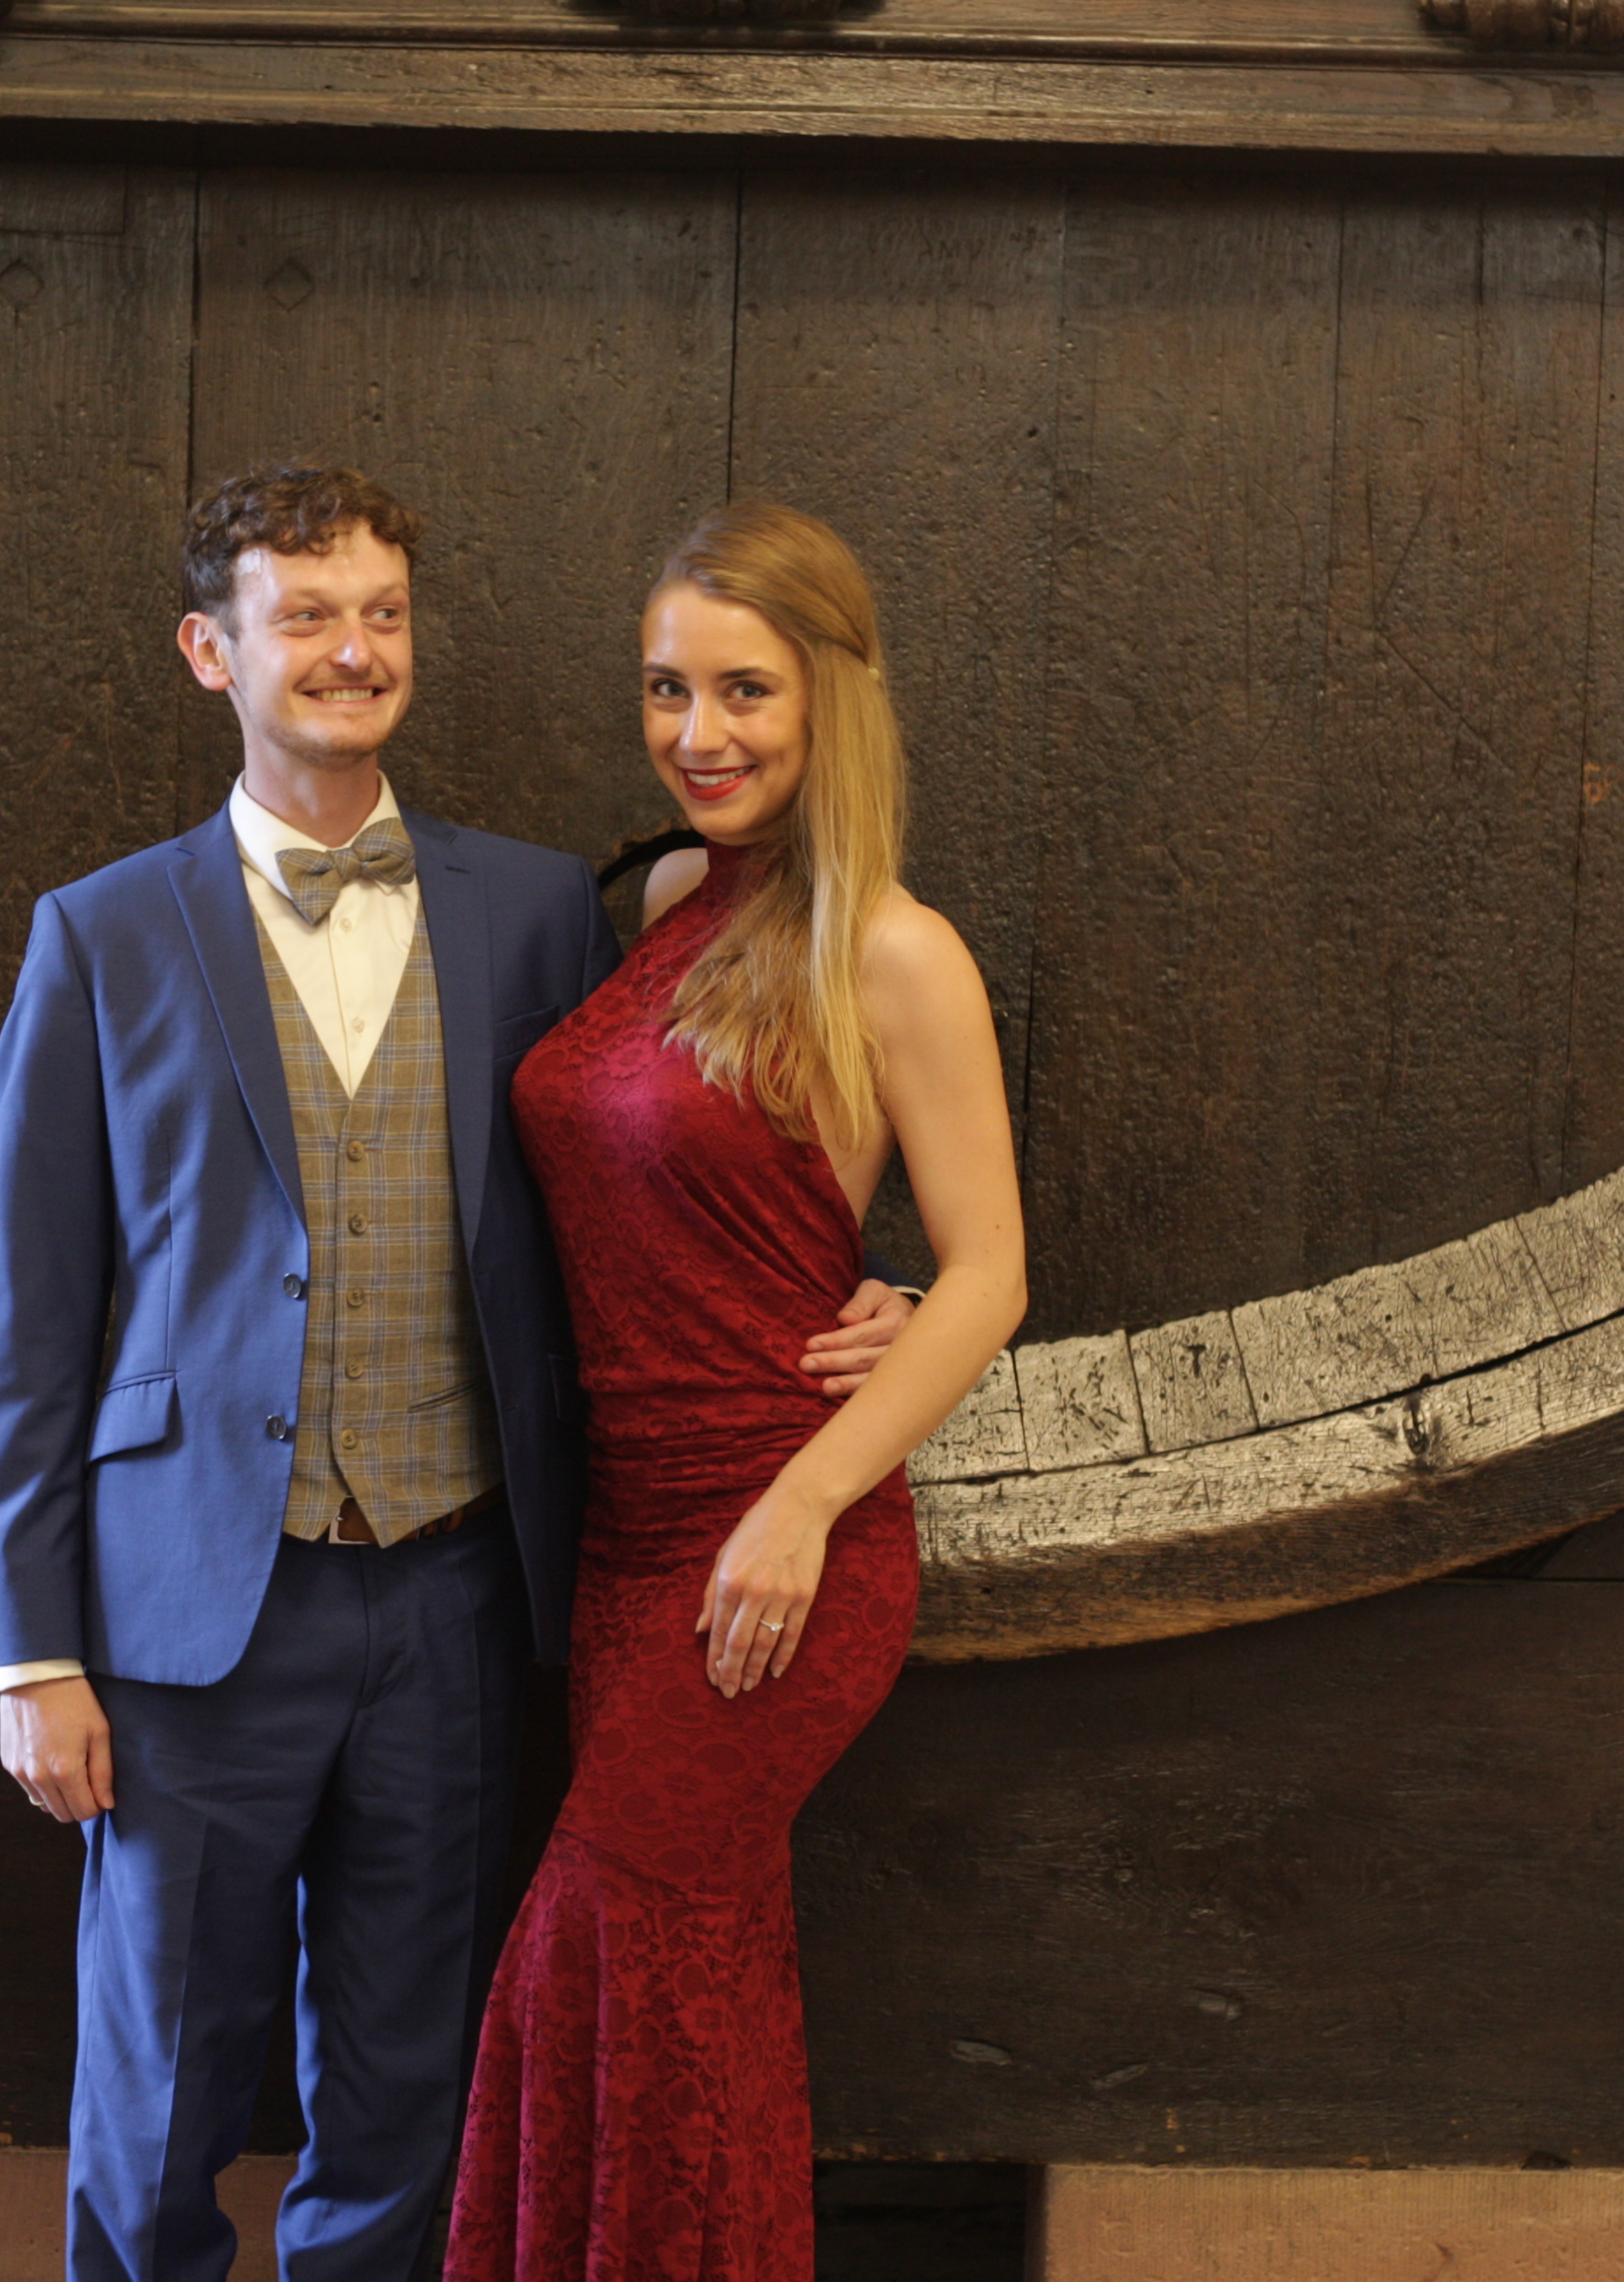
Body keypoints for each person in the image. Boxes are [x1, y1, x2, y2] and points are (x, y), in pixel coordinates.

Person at [0, 464, 914, 2282]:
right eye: (306, 616)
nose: (353, 650)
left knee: (412, 2095)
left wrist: (862, 1290)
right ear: (211, 653)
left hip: (463, 1599)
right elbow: (32, 1322)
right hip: (185, 1615)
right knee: (157, 2100)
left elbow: (663, 1160)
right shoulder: (101, 934)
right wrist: (31, 1649)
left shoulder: (542, 910)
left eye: (382, 613)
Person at [446, 502, 1028, 2282]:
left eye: (745, 691)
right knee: (696, 1991)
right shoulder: (670, 902)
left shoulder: (898, 951)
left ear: (834, 695)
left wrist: (803, 1502)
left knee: (599, 1941)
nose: (697, 734)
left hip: (785, 1549)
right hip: (625, 1552)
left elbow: (992, 1272)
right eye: (666, 688)